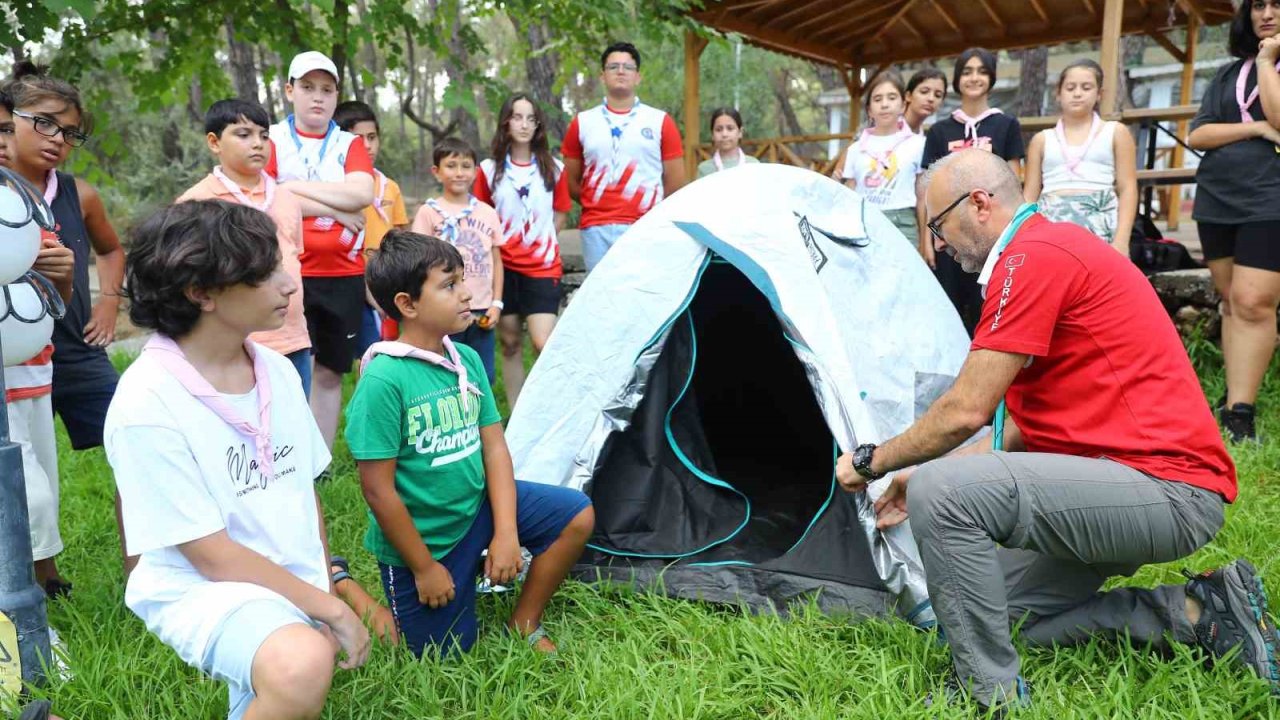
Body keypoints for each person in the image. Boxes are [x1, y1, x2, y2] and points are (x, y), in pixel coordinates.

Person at [837, 149, 1277, 713]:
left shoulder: (1032, 257)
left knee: (943, 497)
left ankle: (986, 694)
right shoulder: (1041, 251)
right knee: (985, 613)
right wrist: (926, 465)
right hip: (1120, 483)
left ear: (979, 203)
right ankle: (1196, 611)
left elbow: (965, 409)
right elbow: (1016, 428)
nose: (939, 242)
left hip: (1168, 490)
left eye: (939, 225)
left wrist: (876, 461)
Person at [105, 200, 371, 720]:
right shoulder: (146, 402)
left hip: (283, 575)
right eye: (264, 274)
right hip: (200, 586)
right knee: (299, 664)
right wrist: (332, 607)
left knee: (288, 677)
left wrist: (316, 584)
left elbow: (302, 492)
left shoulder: (273, 368)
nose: (289, 284)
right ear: (201, 293)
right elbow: (211, 556)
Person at [345, 230, 594, 657]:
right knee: (436, 654)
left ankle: (524, 620)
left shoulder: (468, 359)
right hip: (426, 541)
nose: (466, 293)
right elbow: (378, 491)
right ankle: (341, 584)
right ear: (407, 304)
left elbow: (494, 449)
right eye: (449, 285)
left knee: (576, 514)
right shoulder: (385, 379)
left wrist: (506, 532)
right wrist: (424, 568)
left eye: (462, 280)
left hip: (475, 507)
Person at [4, 62, 125, 586]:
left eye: (70, 132)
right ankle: (38, 578)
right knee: (24, 465)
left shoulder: (80, 194)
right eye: (46, 123)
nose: (59, 140)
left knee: (130, 440)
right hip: (13, 355)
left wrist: (108, 303)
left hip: (73, 348)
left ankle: (145, 564)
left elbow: (111, 249)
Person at [265, 50, 375, 450]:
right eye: (308, 88)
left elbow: (363, 192)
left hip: (342, 273)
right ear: (289, 90)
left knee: (330, 370)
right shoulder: (273, 138)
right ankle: (284, 451)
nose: (318, 98)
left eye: (327, 90)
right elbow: (268, 195)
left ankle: (319, 459)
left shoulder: (348, 143)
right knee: (286, 367)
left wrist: (294, 190)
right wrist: (337, 207)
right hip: (287, 271)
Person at [1187, 0, 1280, 443]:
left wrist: (1267, 60)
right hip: (1218, 197)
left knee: (1252, 301)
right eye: (1258, 4)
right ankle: (1232, 399)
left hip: (1271, 196)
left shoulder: (1263, 66)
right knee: (1230, 301)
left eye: (1276, 4)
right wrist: (1257, 129)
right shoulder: (1228, 74)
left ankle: (1241, 414)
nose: (1266, 12)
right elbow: (1199, 133)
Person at [178, 99, 312, 395]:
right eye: (243, 134)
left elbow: (293, 260)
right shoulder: (197, 203)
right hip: (232, 345)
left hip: (292, 340)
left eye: (264, 135)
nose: (258, 144)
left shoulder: (286, 199)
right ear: (214, 142)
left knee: (292, 429)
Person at [0, 87, 76, 599]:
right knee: (28, 489)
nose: (4, 142)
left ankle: (44, 576)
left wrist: (63, 273)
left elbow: (55, 304)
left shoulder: (23, 208)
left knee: (41, 470)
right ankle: (18, 584)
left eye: (8, 130)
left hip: (32, 368)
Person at [473, 93, 571, 407]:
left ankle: (552, 406)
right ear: (506, 122)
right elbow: (481, 215)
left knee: (544, 342)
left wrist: (540, 241)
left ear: (538, 124)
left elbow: (560, 213)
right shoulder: (489, 170)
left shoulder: (554, 168)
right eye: (517, 117)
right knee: (510, 341)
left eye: (531, 118)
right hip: (503, 267)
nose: (524, 124)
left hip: (542, 267)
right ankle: (518, 414)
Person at [918, 48, 1025, 336]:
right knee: (948, 307)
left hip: (991, 233)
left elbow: (1014, 180)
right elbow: (925, 188)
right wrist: (927, 240)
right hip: (949, 234)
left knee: (988, 307)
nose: (974, 77)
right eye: (966, 71)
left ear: (991, 77)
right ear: (956, 79)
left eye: (981, 71)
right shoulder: (940, 130)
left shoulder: (1006, 125)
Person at [562, 41, 685, 271]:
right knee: (602, 298)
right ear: (602, 76)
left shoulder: (659, 121)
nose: (620, 71)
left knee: (640, 295)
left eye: (627, 67)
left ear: (638, 76)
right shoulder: (583, 122)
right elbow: (570, 180)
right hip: (595, 227)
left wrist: (651, 212)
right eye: (613, 67)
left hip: (644, 226)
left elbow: (675, 182)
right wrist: (595, 200)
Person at [411, 137, 504, 384]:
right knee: (444, 372)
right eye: (451, 165)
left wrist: (496, 303)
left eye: (465, 166)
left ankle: (479, 421)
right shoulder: (429, 213)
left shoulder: (487, 212)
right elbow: (419, 263)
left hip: (481, 309)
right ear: (437, 172)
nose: (459, 172)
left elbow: (496, 260)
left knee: (482, 375)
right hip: (443, 307)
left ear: (475, 171)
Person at [1024, 59, 1137, 252]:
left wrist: (1122, 240)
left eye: (1086, 87)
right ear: (1058, 94)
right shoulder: (1041, 140)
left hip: (1101, 224)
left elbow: (1128, 188)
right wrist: (1024, 235)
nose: (1077, 93)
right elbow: (1030, 195)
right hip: (1051, 225)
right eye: (1070, 88)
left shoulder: (1116, 132)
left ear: (1099, 94)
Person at [333, 100, 410, 357]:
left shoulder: (391, 187)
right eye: (357, 138)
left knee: (389, 349)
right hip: (351, 279)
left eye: (372, 137)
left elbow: (401, 237)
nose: (366, 145)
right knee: (361, 353)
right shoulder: (335, 187)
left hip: (387, 280)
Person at [841, 71, 926, 243]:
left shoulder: (918, 144)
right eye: (877, 99)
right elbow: (849, 193)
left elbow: (922, 195)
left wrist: (925, 241)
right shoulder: (856, 149)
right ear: (869, 110)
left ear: (903, 105)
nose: (885, 104)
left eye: (892, 97)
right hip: (863, 223)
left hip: (904, 224)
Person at [697, 107, 759, 178]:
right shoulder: (704, 169)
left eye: (730, 128)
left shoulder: (753, 165)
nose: (724, 134)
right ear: (712, 134)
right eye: (718, 130)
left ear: (740, 132)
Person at [904, 67, 948, 135]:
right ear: (908, 96)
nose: (931, 99)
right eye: (924, 92)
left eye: (938, 95)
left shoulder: (926, 137)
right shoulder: (888, 128)